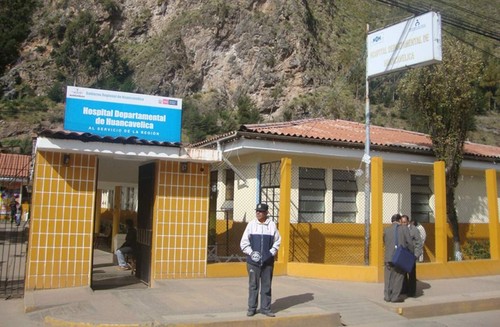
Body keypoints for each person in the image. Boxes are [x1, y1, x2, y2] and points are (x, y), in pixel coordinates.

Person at [240, 203, 281, 317]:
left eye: (261, 211)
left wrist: (271, 253)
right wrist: (251, 253)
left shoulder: (272, 225)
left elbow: (277, 241)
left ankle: (265, 308)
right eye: (257, 211)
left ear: (266, 213)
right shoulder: (251, 225)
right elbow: (244, 242)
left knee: (266, 286)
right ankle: (252, 308)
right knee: (253, 285)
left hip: (268, 263)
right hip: (253, 263)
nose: (258, 213)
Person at [383, 213, 414, 303]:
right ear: (400, 220)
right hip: (399, 257)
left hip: (388, 257)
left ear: (392, 221)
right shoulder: (404, 229)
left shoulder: (386, 230)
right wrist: (410, 255)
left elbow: (384, 241)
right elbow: (410, 243)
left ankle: (387, 296)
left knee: (388, 277)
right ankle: (395, 296)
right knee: (398, 276)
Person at [401, 214, 422, 297]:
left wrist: (416, 255)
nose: (403, 224)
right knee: (403, 274)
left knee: (412, 274)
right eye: (402, 222)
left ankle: (412, 292)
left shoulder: (414, 230)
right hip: (403, 255)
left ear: (408, 221)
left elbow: (418, 243)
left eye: (405, 222)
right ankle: (404, 289)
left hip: (411, 255)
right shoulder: (400, 229)